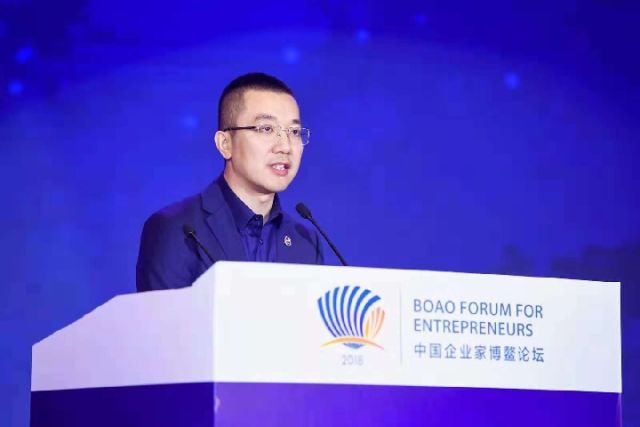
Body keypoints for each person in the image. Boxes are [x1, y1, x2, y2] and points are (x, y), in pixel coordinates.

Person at [136, 72, 324, 292]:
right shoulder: (176, 229)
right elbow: (164, 314)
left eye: (294, 132)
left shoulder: (306, 242)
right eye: (266, 129)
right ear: (225, 144)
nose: (285, 146)